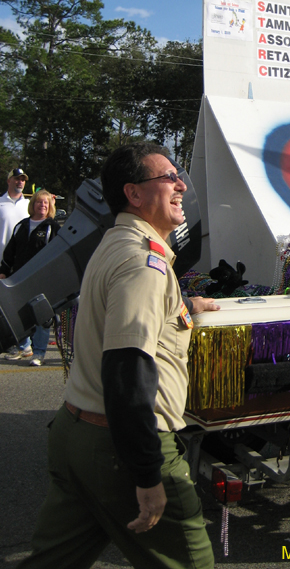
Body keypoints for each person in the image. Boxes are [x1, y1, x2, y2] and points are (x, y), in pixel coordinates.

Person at [18, 143, 220, 569]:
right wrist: (147, 474)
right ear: (134, 193)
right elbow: (127, 373)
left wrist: (184, 305)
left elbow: (134, 314)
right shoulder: (142, 264)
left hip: (77, 434)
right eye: (169, 177)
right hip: (118, 448)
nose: (181, 183)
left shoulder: (116, 246)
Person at [0, 189, 60, 365]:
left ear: (50, 207)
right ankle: (24, 347)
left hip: (41, 281)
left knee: (42, 317)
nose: (42, 205)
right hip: (19, 278)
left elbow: (56, 256)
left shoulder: (52, 227)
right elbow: (10, 252)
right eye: (38, 202)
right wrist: (3, 269)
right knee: (20, 315)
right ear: (32, 204)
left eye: (45, 203)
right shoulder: (22, 225)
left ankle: (39, 353)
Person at [0, 168, 34, 360]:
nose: (20, 182)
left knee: (17, 304)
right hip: (2, 262)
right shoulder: (0, 203)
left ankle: (22, 344)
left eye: (23, 180)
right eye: (16, 179)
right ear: (9, 181)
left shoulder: (29, 205)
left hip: (21, 262)